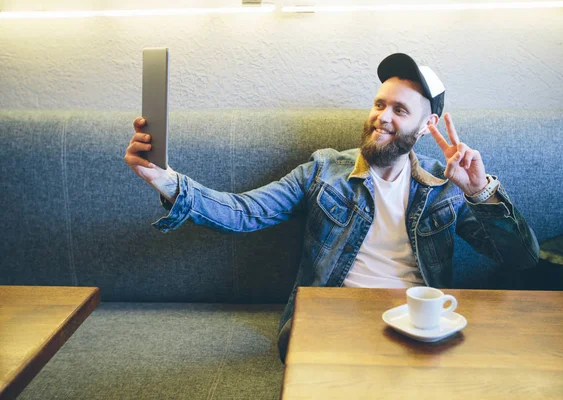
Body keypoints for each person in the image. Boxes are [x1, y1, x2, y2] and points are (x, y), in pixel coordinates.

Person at [124, 53, 539, 361]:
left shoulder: (446, 188)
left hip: (419, 326)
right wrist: (166, 180)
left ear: (427, 125)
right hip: (331, 322)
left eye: (399, 109)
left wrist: (479, 191)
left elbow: (522, 258)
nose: (382, 117)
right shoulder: (324, 170)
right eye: (379, 104)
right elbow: (244, 212)